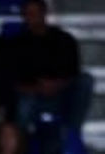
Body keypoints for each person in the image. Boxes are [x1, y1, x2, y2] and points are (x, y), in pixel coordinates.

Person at [9, 0, 93, 134]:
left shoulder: (64, 40)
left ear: (44, 13)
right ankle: (19, 140)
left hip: (62, 96)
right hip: (32, 98)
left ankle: (72, 134)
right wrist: (36, 88)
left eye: (34, 13)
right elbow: (12, 81)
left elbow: (73, 73)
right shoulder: (16, 45)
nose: (30, 18)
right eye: (27, 14)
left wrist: (56, 85)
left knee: (85, 80)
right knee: (24, 104)